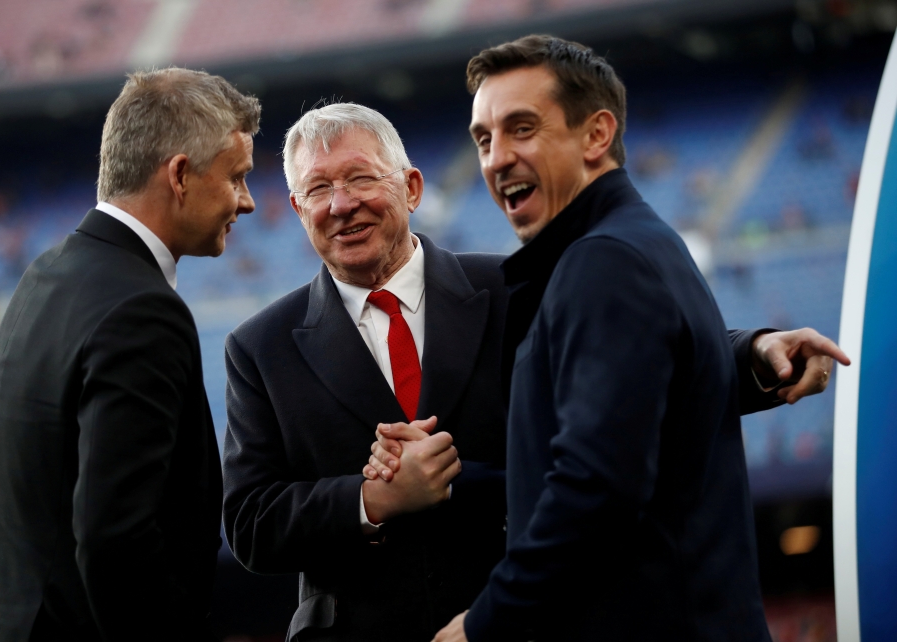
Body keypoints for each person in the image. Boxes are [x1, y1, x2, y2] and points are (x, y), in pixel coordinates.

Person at [222, 104, 836, 642]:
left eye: (360, 178)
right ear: (299, 210)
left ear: (411, 187)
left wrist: (755, 356)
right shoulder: (260, 347)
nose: (341, 204)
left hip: (520, 621)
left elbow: (635, 366)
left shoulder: (515, 287)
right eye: (318, 189)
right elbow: (250, 522)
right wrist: (372, 498)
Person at [424, 35, 850, 641]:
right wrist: (752, 353)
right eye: (484, 139)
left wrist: (484, 626)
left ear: (596, 135)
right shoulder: (632, 241)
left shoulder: (604, 260)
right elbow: (649, 390)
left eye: (521, 128)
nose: (495, 159)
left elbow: (595, 488)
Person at [0, 68, 260, 642]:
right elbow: (115, 541)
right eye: (237, 177)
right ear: (179, 175)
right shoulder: (142, 311)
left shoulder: (47, 274)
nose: (246, 202)